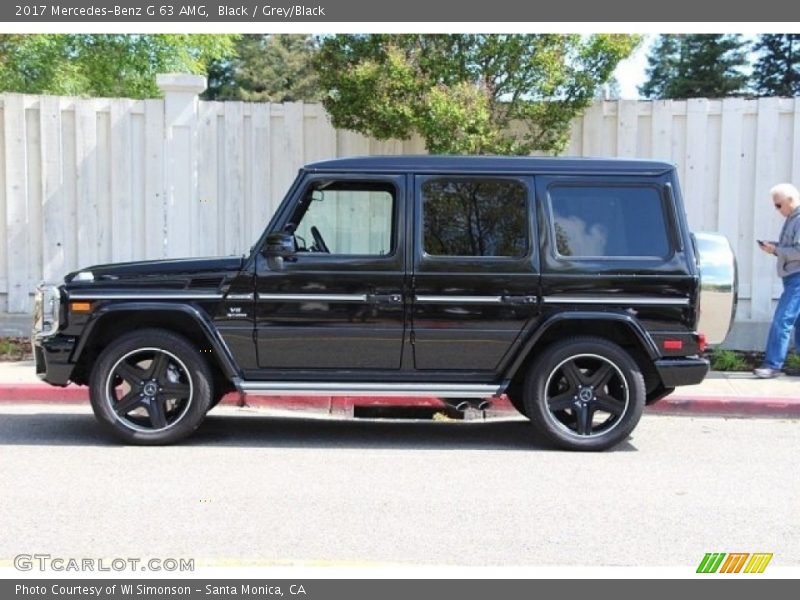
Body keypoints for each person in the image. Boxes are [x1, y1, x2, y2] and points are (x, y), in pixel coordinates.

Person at [754, 182, 800, 378]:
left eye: (778, 205)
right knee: (797, 322)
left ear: (791, 200)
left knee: (783, 319)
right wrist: (775, 248)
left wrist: (776, 250)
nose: (777, 209)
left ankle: (772, 365)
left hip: (797, 277)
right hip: (792, 276)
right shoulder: (792, 218)